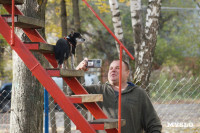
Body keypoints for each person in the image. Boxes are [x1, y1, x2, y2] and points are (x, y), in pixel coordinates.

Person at [76, 58, 162, 133]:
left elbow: (153, 124)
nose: (113, 70)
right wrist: (78, 71)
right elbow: (74, 92)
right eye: (111, 68)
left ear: (127, 73)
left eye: (118, 68)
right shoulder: (98, 90)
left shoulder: (139, 93)